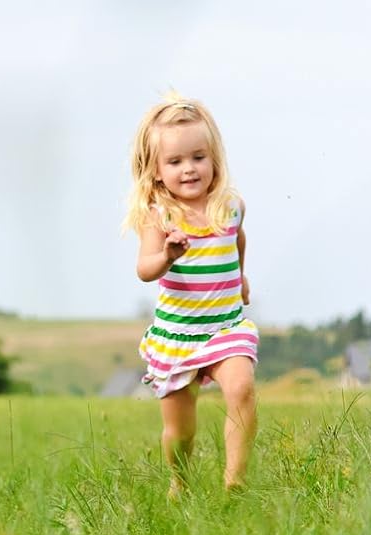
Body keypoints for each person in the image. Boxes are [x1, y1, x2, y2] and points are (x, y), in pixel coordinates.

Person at [126, 92, 258, 498]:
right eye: (175, 162)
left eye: (198, 157)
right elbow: (145, 269)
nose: (189, 169)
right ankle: (179, 482)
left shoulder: (230, 206)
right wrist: (167, 255)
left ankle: (235, 482)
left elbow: (237, 239)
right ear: (156, 171)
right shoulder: (160, 217)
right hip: (178, 336)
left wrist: (240, 277)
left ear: (213, 158)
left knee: (241, 388)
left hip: (225, 328)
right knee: (180, 432)